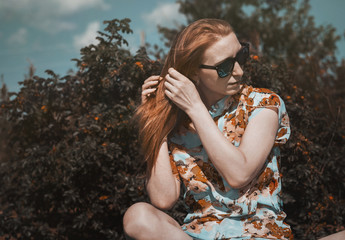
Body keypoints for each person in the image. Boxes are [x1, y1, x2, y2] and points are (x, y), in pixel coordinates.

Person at [123, 18, 293, 240]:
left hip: (257, 234)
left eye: (241, 56)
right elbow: (163, 199)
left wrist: (195, 108)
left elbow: (239, 174)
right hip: (199, 235)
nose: (239, 71)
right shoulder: (179, 126)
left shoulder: (263, 104)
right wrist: (154, 123)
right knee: (137, 216)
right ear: (194, 73)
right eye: (225, 67)